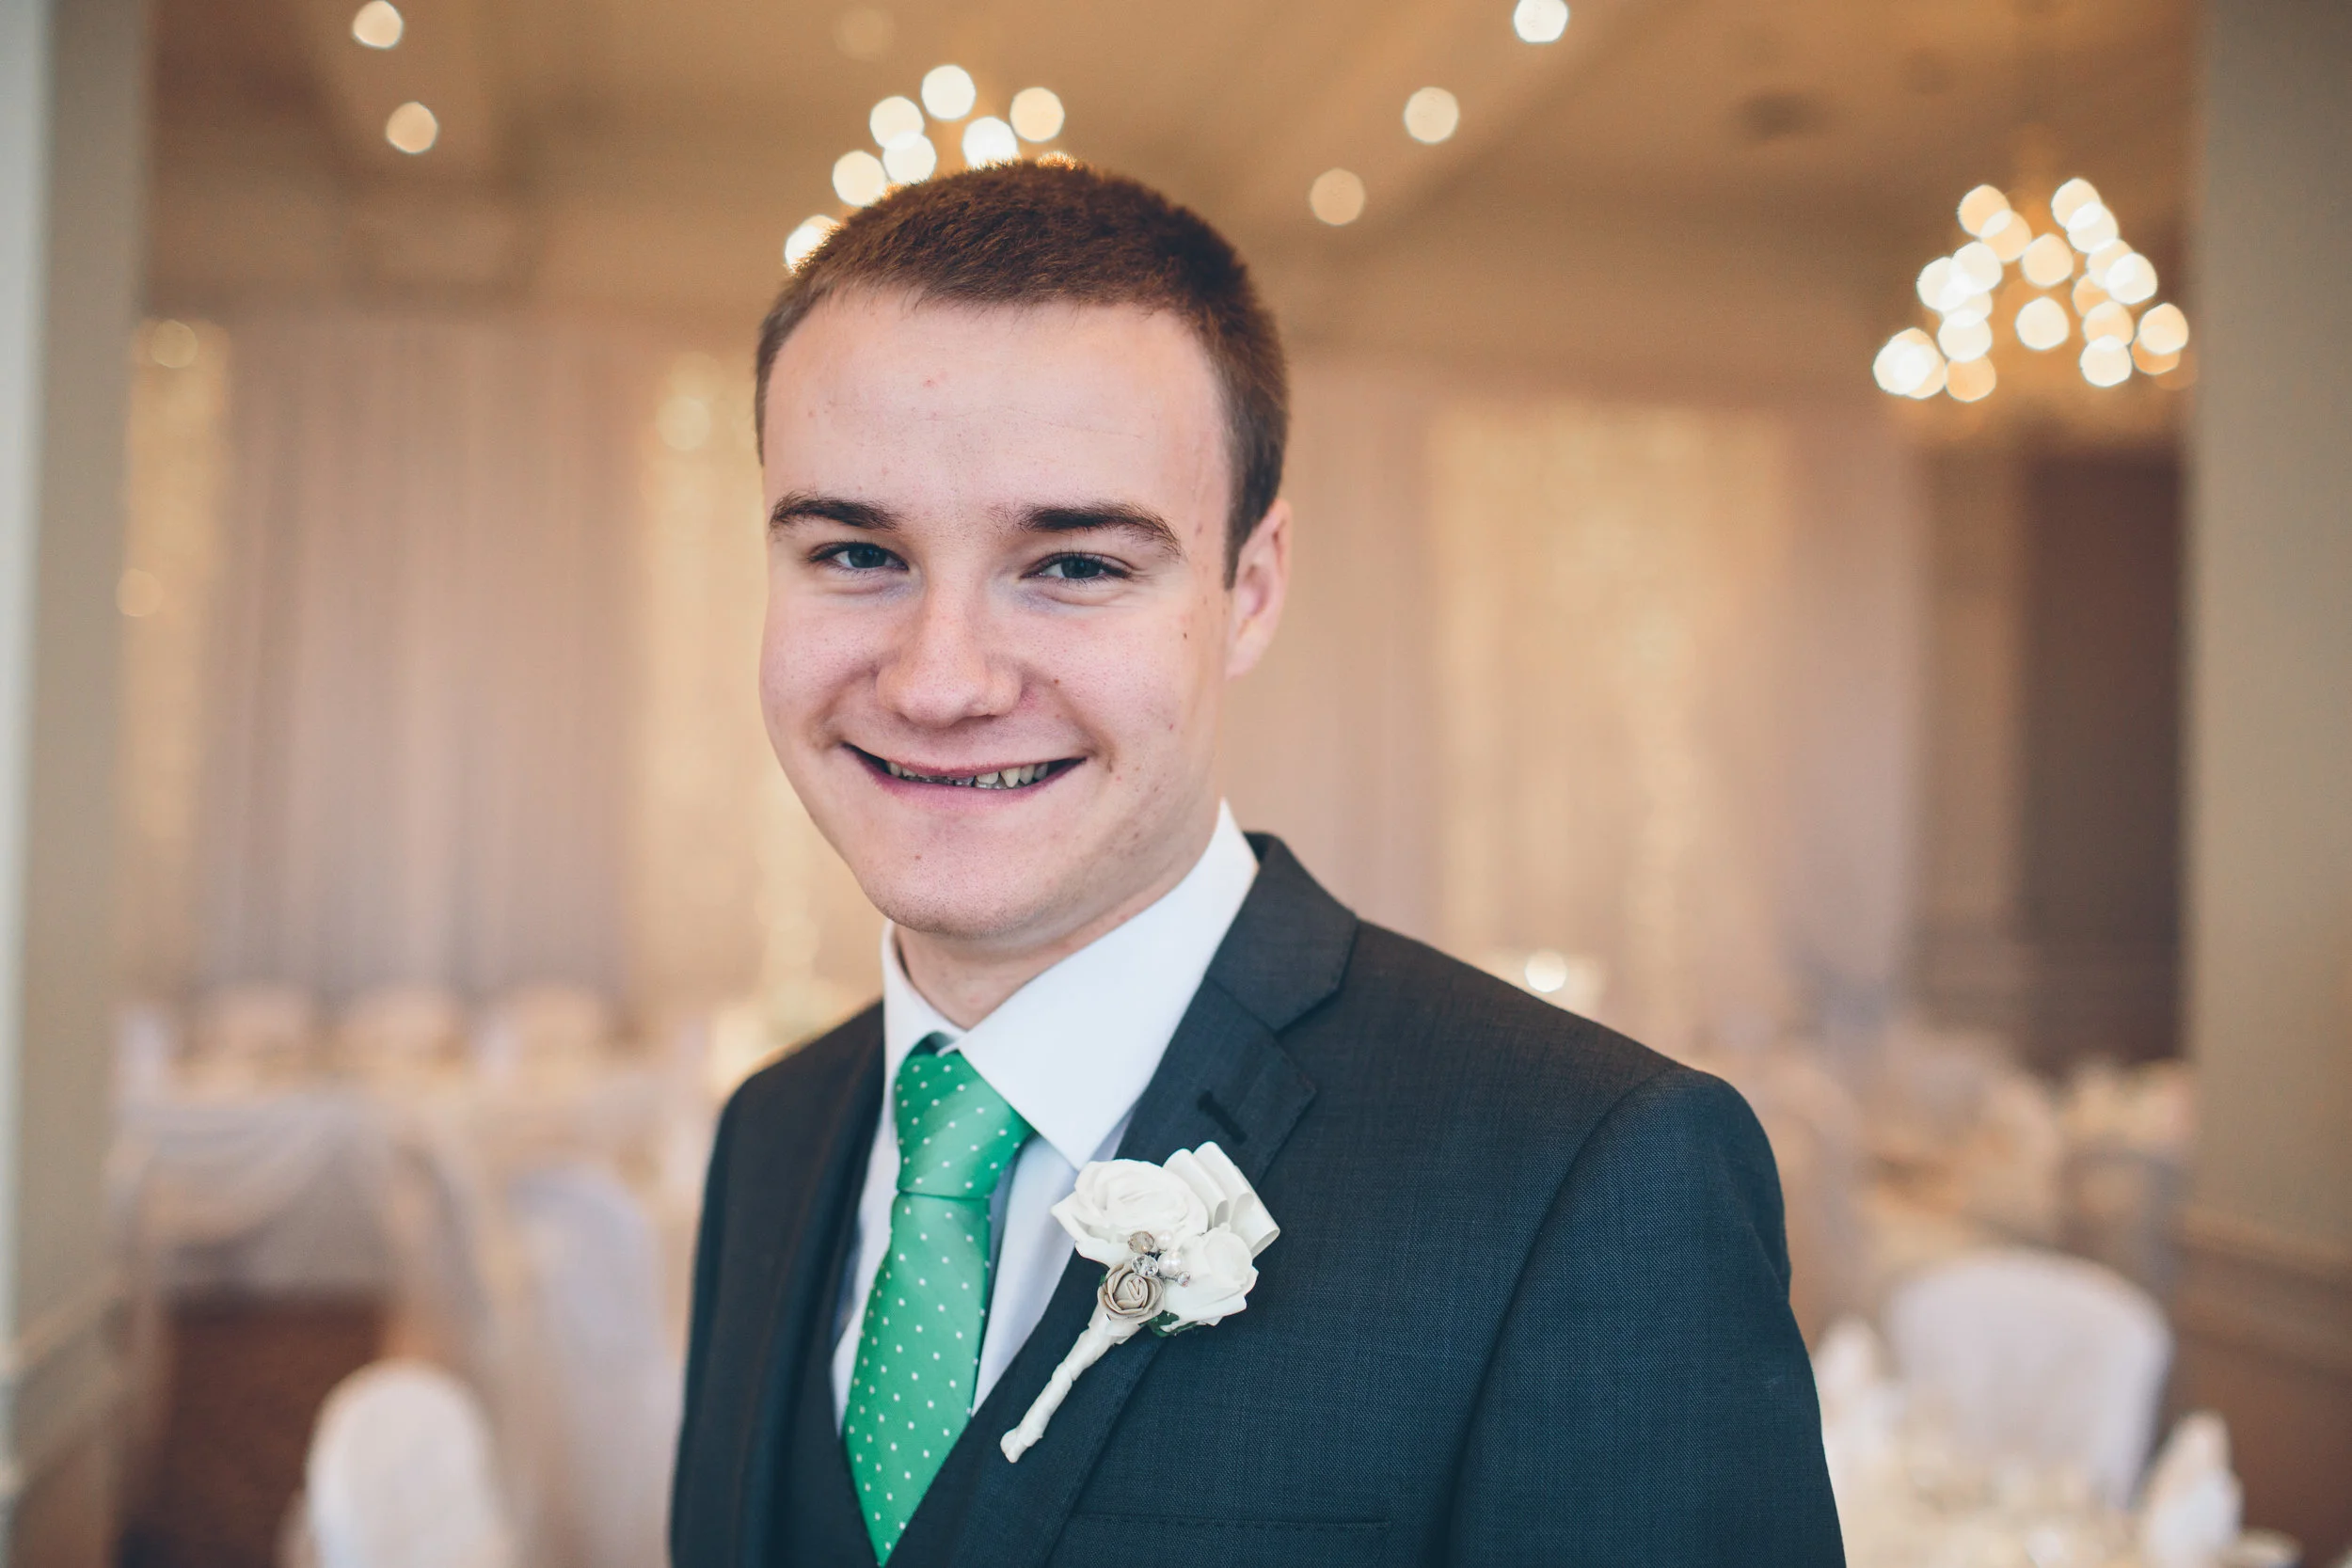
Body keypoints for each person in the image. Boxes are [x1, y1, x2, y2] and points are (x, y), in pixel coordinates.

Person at [670, 161, 1842, 1568]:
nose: (940, 680)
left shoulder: (1588, 1175)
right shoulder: (772, 1134)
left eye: (1078, 565)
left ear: (1251, 590)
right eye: (857, 551)